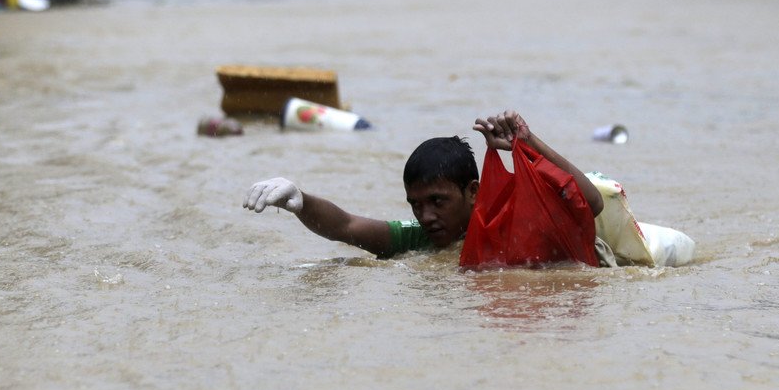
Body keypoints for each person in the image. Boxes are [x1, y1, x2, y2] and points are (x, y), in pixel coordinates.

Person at [242, 110, 604, 259]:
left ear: (473, 192)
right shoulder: (419, 238)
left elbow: (590, 204)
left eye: (437, 201)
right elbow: (346, 225)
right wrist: (301, 200)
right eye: (415, 205)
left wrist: (529, 143)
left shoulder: (516, 223)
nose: (426, 216)